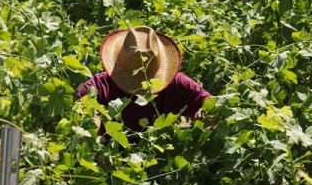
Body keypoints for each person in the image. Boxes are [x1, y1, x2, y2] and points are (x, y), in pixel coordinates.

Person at [77, 25, 212, 132]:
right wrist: (91, 122)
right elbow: (84, 108)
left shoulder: (177, 83)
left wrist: (205, 114)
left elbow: (212, 105)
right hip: (110, 164)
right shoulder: (99, 87)